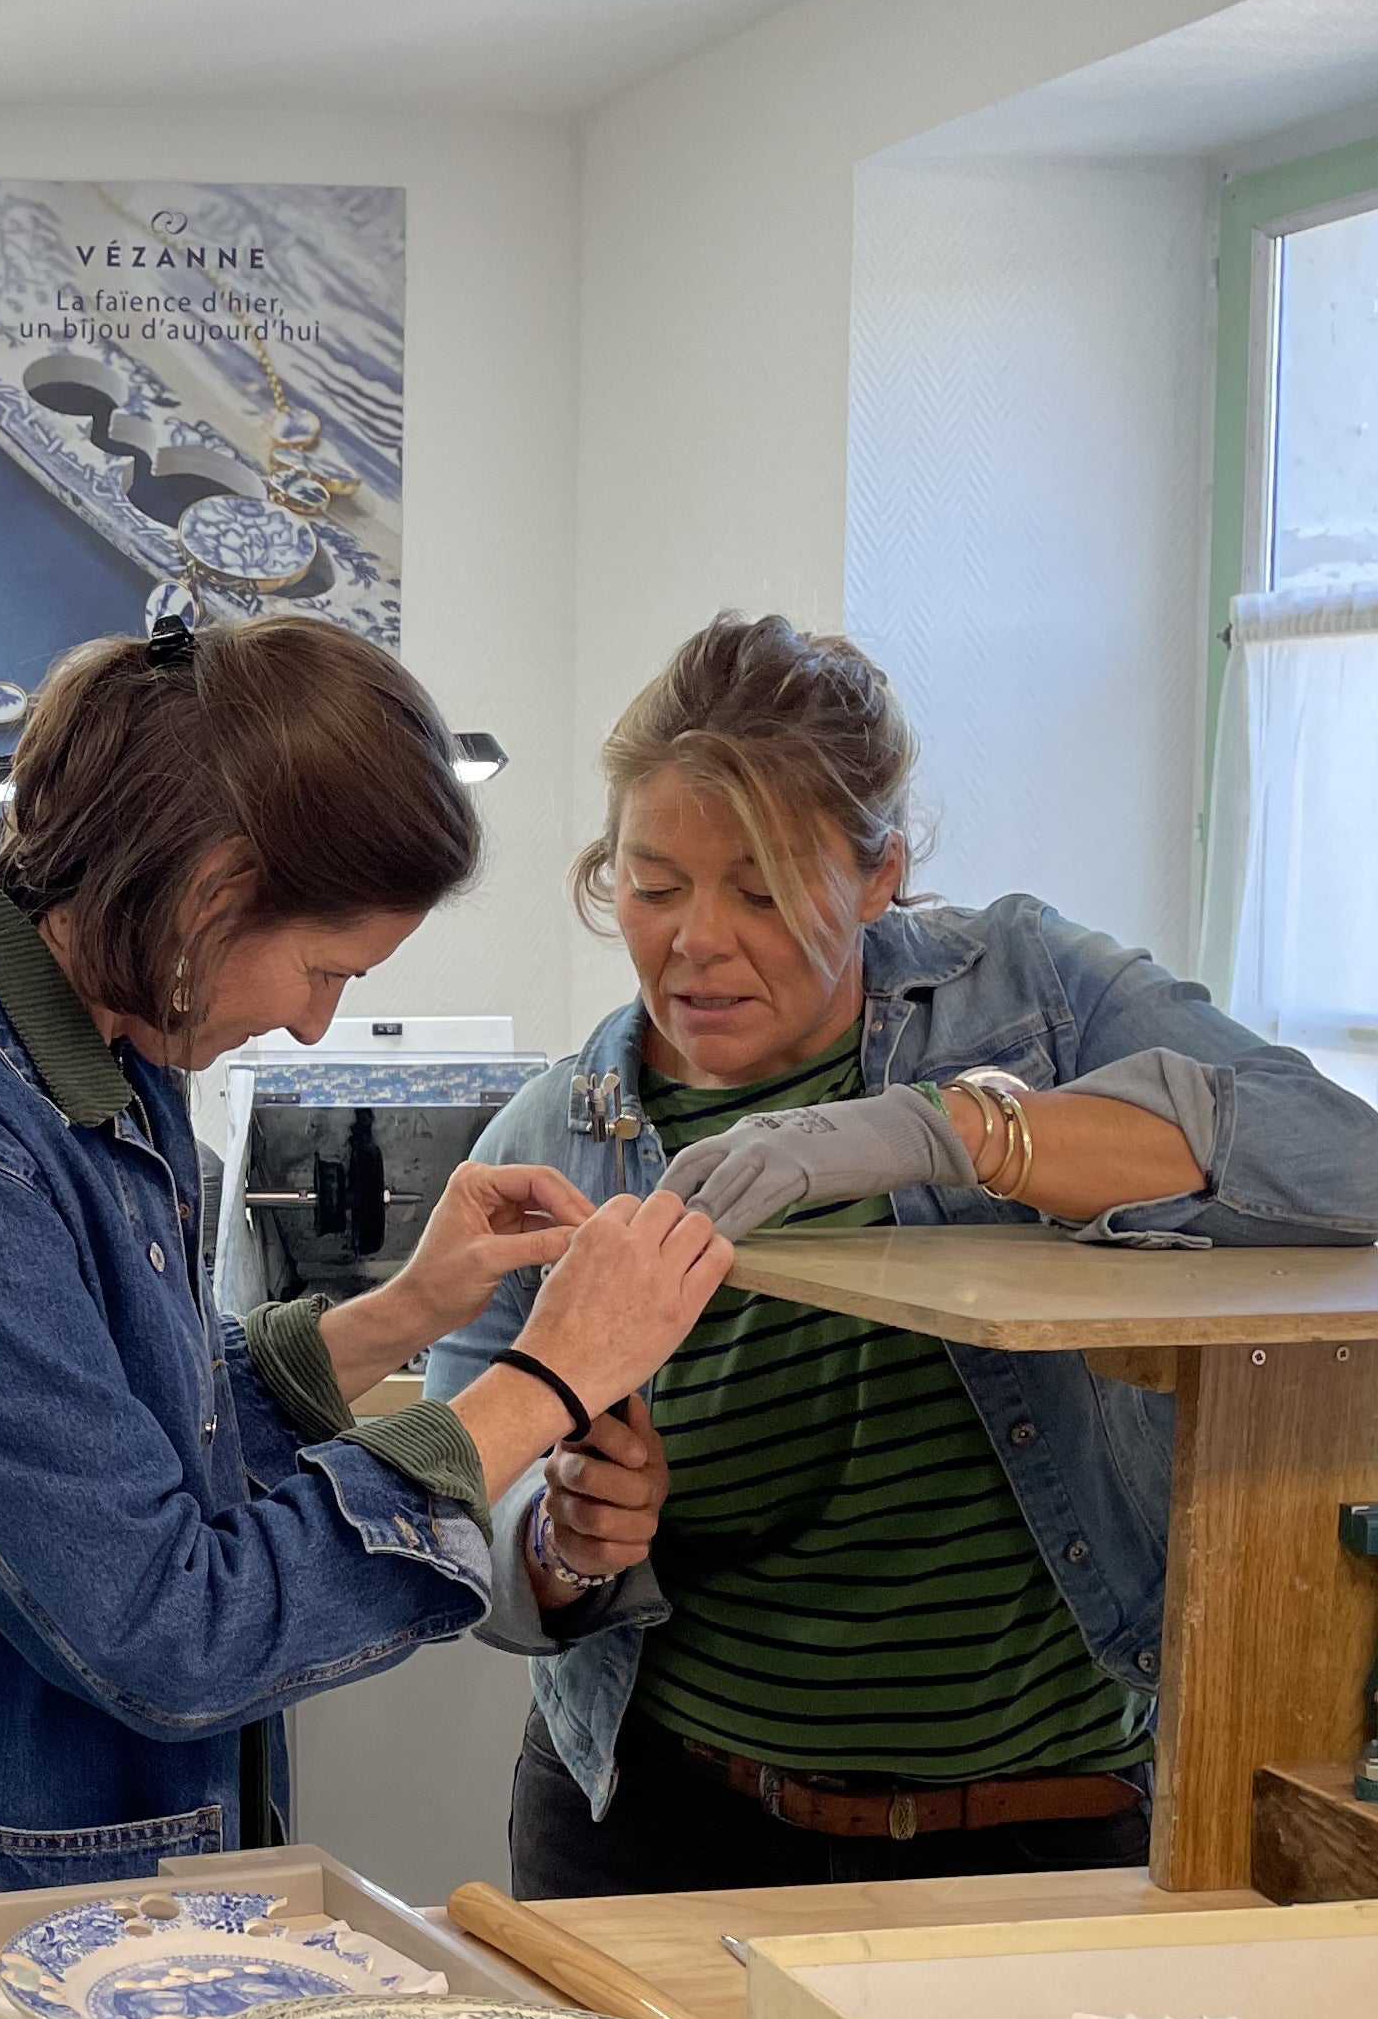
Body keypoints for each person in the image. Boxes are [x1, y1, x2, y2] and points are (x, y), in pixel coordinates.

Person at [0, 614, 735, 1900]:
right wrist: (548, 1381)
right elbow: (171, 1628)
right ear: (214, 890)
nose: (310, 1025)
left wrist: (404, 1312)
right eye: (320, 968)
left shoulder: (91, 1044)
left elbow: (113, 1436)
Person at [427, 612, 1378, 1898]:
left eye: (761, 889)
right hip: (663, 1827)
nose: (697, 939)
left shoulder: (1037, 995)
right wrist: (562, 1542)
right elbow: (455, 1495)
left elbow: (1340, 1163)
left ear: (881, 877)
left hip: (1054, 1828)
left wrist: (956, 1129)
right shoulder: (561, 1137)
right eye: (653, 886)